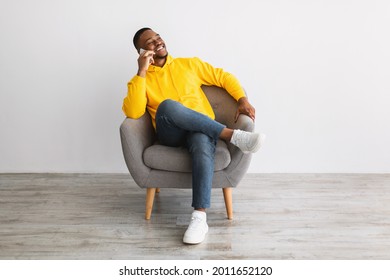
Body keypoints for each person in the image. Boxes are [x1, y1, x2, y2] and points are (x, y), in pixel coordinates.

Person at [122, 27, 265, 244]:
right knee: (168, 106)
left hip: (202, 130)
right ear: (143, 52)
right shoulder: (140, 80)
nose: (158, 41)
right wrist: (142, 72)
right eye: (150, 42)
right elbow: (133, 112)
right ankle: (230, 135)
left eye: (158, 36)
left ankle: (199, 217)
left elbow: (223, 77)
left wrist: (242, 99)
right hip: (171, 135)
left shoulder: (188, 64)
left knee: (200, 137)